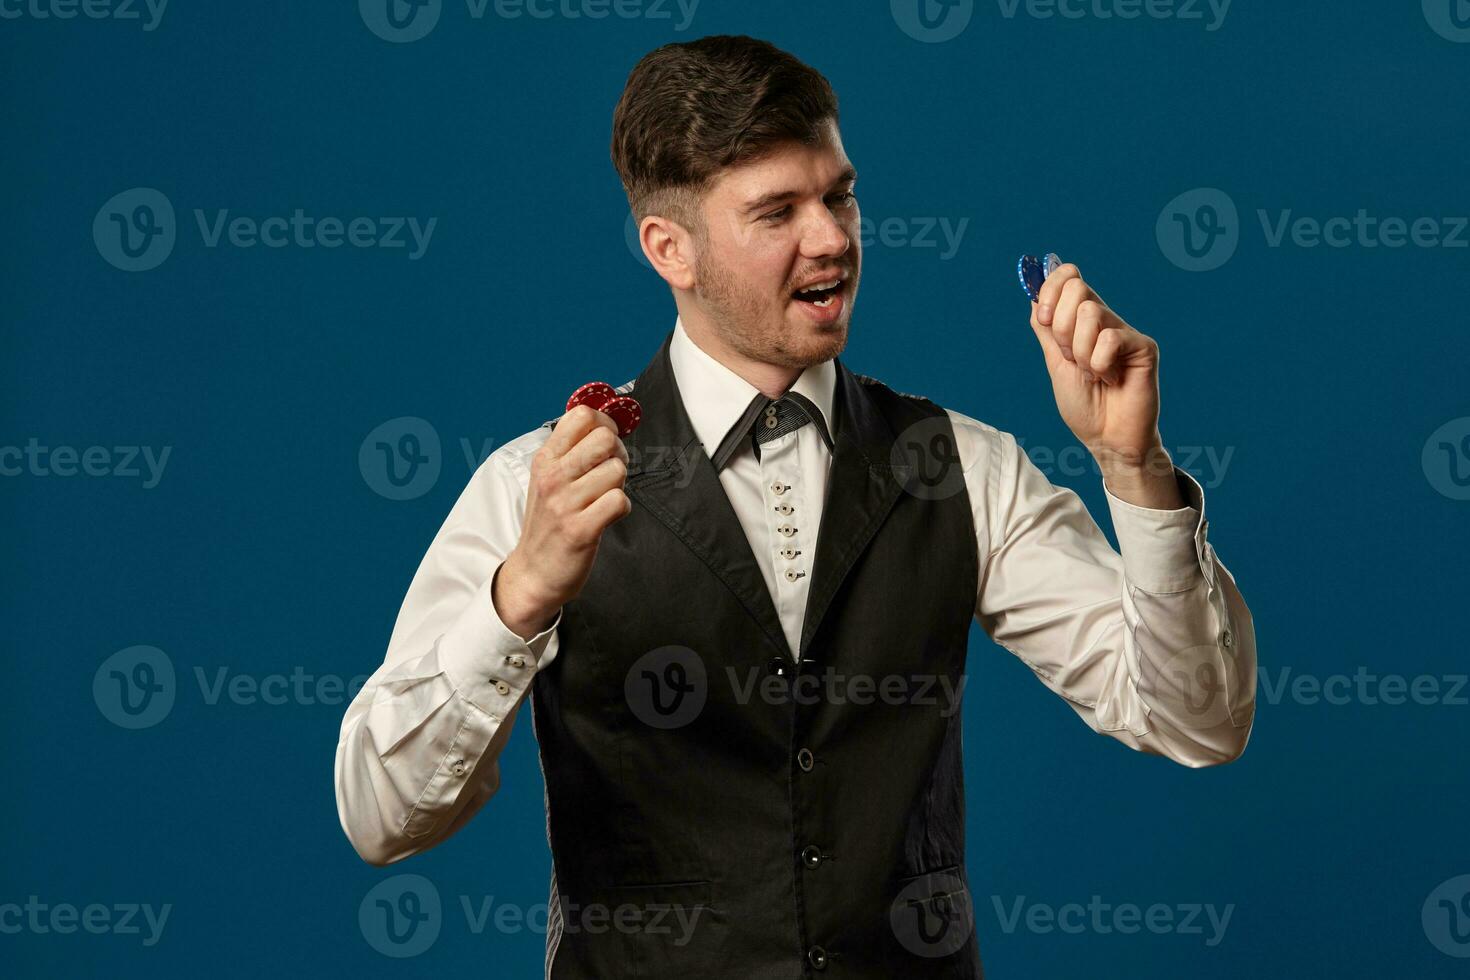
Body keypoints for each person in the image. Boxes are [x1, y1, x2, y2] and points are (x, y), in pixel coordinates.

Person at [335, 34, 1256, 978]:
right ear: (670, 249)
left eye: (839, 195)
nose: (832, 238)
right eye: (777, 211)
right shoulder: (534, 485)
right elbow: (379, 818)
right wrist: (518, 596)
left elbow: (1196, 721)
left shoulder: (961, 466)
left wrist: (1131, 468)